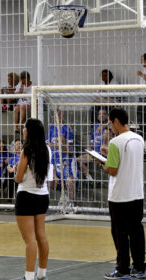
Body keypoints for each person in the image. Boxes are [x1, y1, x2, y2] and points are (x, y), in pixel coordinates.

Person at [100, 108, 145, 280]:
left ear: (116, 121)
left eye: (110, 123)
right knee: (136, 232)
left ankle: (123, 269)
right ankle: (140, 268)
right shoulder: (139, 139)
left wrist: (102, 163)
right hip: (137, 193)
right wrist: (110, 155)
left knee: (120, 234)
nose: (110, 127)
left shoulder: (115, 142)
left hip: (119, 196)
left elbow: (112, 170)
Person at [14, 119, 50, 280]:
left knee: (29, 239)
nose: (23, 129)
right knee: (41, 235)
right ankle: (42, 274)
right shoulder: (47, 149)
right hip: (42, 195)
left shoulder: (26, 151)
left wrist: (16, 170)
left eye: (25, 127)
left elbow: (18, 178)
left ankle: (28, 276)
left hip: (26, 195)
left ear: (29, 131)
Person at [46, 110, 77, 206]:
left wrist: (58, 145)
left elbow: (67, 147)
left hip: (64, 160)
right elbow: (47, 145)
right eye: (54, 115)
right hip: (53, 160)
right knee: (48, 181)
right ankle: (48, 203)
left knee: (70, 180)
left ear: (61, 115)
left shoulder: (66, 128)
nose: (56, 117)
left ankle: (72, 204)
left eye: (58, 115)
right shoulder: (51, 128)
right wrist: (59, 145)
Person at [77, 108, 112, 181]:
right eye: (99, 114)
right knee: (78, 159)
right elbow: (92, 141)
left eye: (104, 114)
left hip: (105, 154)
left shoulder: (110, 127)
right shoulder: (95, 127)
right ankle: (89, 179)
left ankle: (102, 160)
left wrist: (102, 126)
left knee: (106, 133)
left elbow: (109, 126)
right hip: (94, 154)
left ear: (107, 116)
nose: (101, 115)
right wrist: (90, 148)